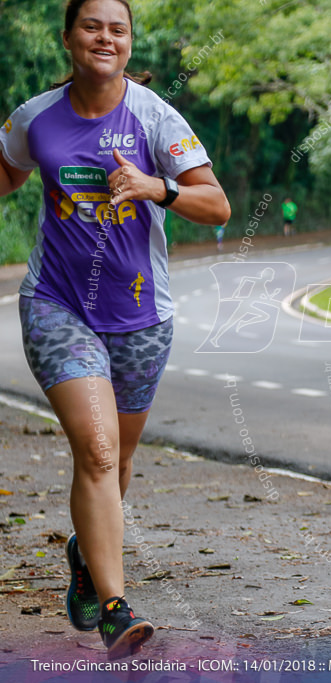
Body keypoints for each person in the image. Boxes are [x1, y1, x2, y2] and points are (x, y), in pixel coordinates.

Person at [0, 0, 230, 659]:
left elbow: (216, 202)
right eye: (92, 25)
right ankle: (113, 606)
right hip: (57, 305)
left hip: (140, 316)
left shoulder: (156, 118)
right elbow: (9, 168)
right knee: (98, 452)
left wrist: (157, 187)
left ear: (129, 43)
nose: (105, 37)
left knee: (119, 460)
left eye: (118, 28)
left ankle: (83, 553)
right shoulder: (36, 118)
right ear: (69, 37)